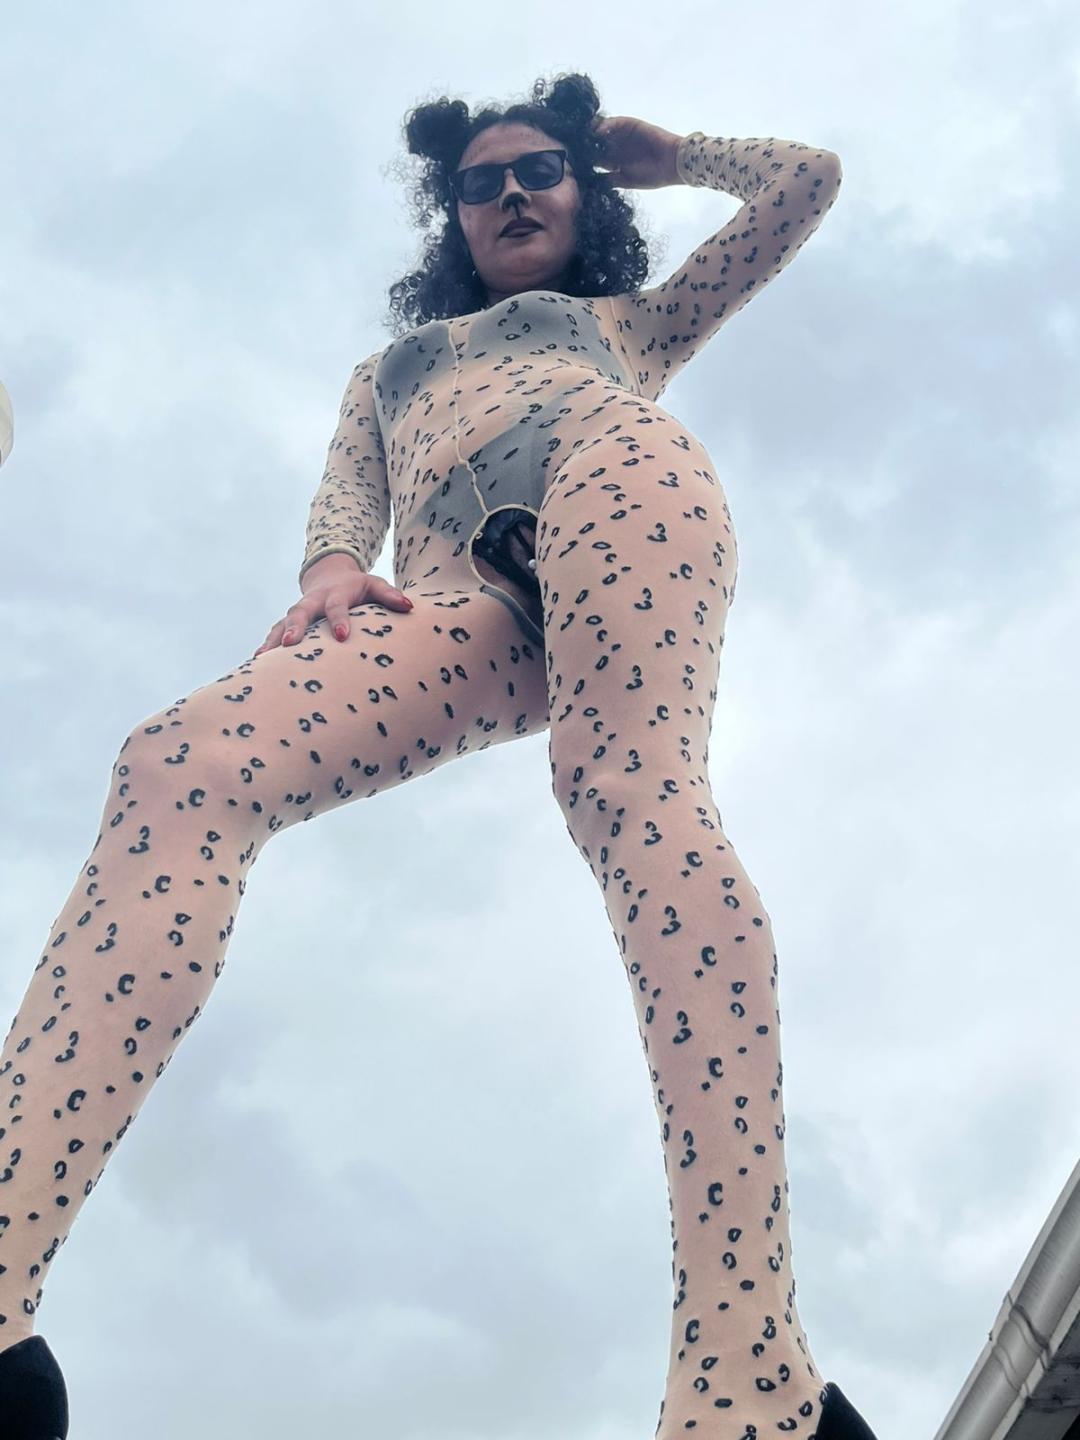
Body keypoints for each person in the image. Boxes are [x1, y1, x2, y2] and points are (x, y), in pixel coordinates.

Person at [0, 71, 875, 1440]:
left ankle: (750, 1369)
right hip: (454, 589)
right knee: (181, 761)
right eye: (480, 182)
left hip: (611, 472)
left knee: (628, 789)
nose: (511, 191)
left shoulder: (628, 322)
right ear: (451, 219)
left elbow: (804, 184)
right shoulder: (387, 373)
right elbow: (345, 500)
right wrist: (331, 572)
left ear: (583, 193)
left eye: (539, 170)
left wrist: (672, 154)